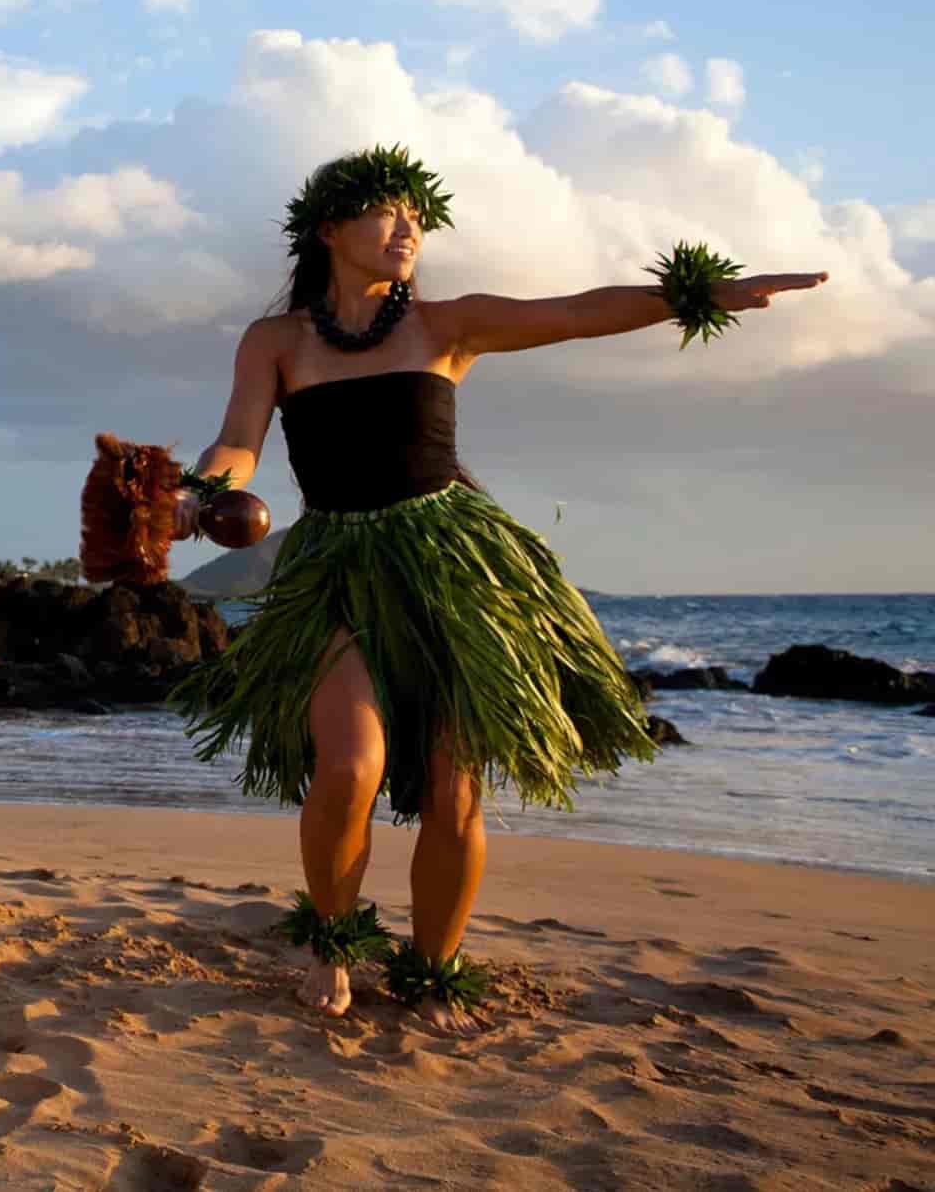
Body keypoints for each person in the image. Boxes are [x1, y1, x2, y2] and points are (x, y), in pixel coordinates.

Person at [169, 145, 826, 1032]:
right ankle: (331, 939)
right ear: (329, 229)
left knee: (452, 783)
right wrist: (201, 491)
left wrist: (702, 293)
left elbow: (576, 313)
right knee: (352, 763)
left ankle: (433, 968)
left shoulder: (449, 325)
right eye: (386, 212)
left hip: (451, 566)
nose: (408, 228)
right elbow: (238, 440)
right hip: (335, 568)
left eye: (416, 215)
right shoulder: (276, 342)